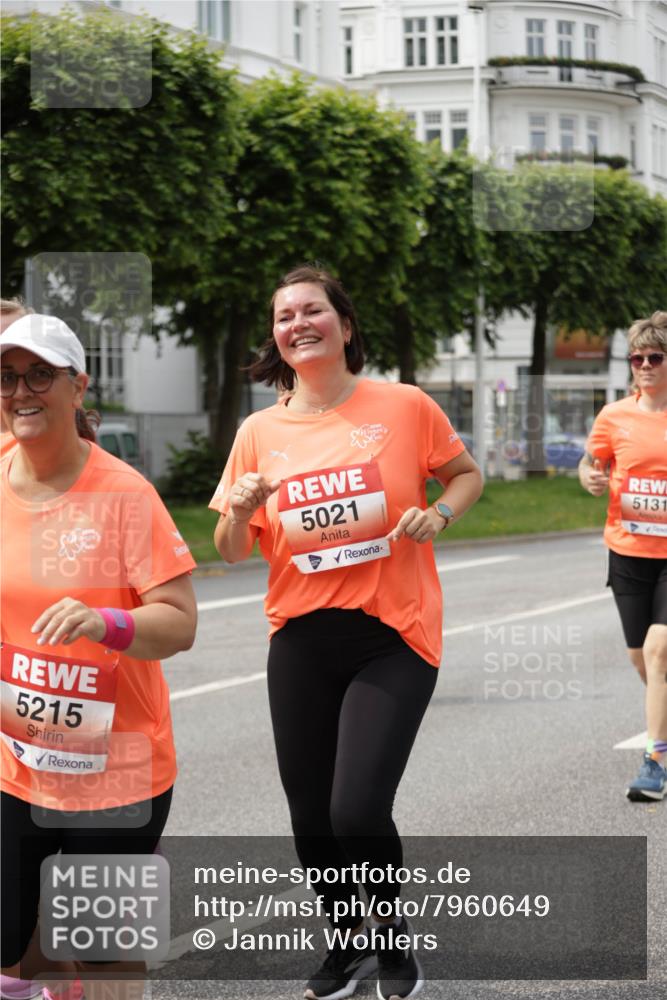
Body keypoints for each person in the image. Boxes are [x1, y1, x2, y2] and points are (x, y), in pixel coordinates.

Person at [209, 265, 483, 1000]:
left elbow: (464, 474)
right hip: (299, 639)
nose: (296, 323)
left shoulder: (402, 405)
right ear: (276, 336)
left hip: (391, 634)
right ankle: (345, 943)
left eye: (312, 310)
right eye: (283, 316)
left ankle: (393, 943)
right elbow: (231, 551)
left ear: (345, 325)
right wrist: (237, 510)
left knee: (354, 808)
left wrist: (441, 514)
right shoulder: (258, 431)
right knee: (309, 818)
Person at [0, 314, 198, 999]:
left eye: (39, 374)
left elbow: (178, 624)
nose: (20, 390)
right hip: (18, 766)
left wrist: (103, 621)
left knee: (105, 949)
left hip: (119, 770)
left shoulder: (125, 495)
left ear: (78, 386)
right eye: (6, 376)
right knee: (11, 947)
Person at [579, 310, 667, 802]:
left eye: (656, 357)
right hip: (628, 551)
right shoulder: (614, 416)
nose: (645, 365)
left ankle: (655, 761)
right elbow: (591, 463)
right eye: (638, 358)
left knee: (660, 650)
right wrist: (587, 477)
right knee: (642, 658)